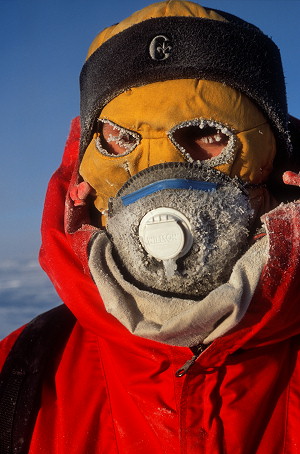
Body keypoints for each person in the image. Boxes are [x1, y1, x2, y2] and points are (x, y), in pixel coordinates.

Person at [1, 1, 300, 453]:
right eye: (122, 138)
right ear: (87, 175)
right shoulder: (19, 375)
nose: (162, 169)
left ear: (274, 163)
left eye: (208, 133)